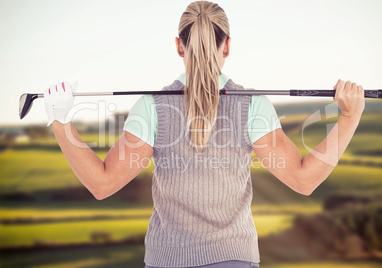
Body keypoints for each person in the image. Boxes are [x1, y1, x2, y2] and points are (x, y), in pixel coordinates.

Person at [43, 1, 365, 267]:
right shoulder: (252, 105)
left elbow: (102, 184)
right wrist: (349, 117)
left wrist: (60, 121)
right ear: (227, 46)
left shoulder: (152, 106)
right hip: (235, 259)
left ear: (179, 47)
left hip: (168, 260)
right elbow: (303, 180)